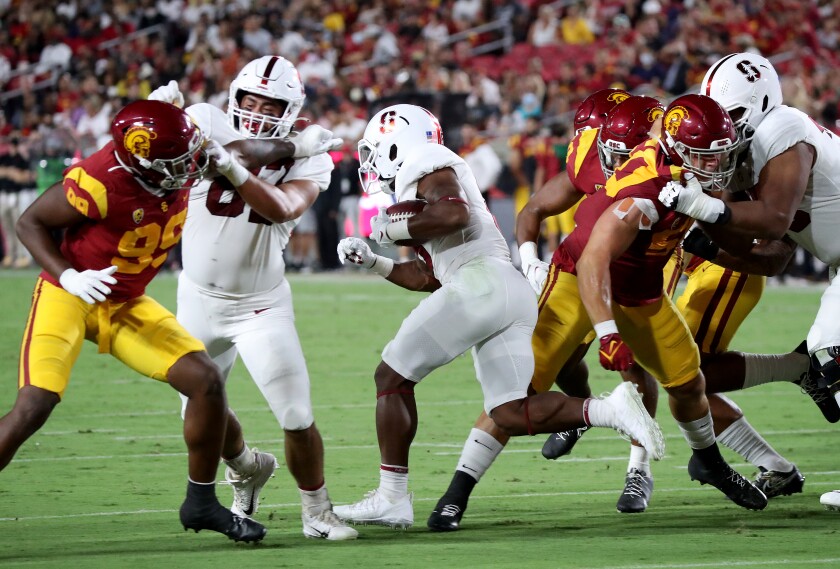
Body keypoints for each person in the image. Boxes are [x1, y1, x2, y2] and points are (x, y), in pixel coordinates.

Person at [333, 103, 665, 529]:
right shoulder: (426, 179)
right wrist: (375, 262)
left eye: (377, 148)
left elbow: (453, 213)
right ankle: (610, 411)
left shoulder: (427, 163)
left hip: (479, 286)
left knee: (391, 378)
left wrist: (391, 228)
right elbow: (428, 277)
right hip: (506, 290)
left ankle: (392, 497)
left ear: (399, 142)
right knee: (509, 410)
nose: (372, 159)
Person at [0, 100, 280, 543]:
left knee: (206, 379)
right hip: (70, 294)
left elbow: (245, 153)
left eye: (189, 156)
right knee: (36, 403)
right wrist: (69, 275)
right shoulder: (100, 181)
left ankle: (202, 503)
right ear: (139, 161)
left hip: (126, 300)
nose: (189, 169)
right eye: (174, 162)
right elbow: (30, 221)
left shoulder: (179, 156)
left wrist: (295, 143)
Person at [426, 92, 670, 531]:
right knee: (520, 384)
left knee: (636, 372)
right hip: (578, 277)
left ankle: (638, 470)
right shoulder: (589, 155)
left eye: (619, 144)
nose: (607, 151)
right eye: (600, 140)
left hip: (636, 284)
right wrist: (529, 260)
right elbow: (535, 208)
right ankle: (457, 493)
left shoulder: (666, 165)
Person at [149, 56, 358, 540]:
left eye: (272, 104)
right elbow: (230, 154)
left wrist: (236, 163)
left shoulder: (314, 156)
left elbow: (283, 203)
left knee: (296, 413)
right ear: (234, 98)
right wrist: (156, 120)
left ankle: (317, 511)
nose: (259, 109)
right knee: (198, 413)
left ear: (292, 108)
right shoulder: (205, 119)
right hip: (198, 297)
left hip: (260, 304)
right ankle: (245, 465)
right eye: (251, 99)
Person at [657, 51, 840, 511]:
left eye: (735, 115)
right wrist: (711, 244)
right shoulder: (746, 146)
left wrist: (701, 207)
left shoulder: (784, 128)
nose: (729, 127)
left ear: (762, 101)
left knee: (830, 351)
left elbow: (776, 220)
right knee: (827, 352)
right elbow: (772, 257)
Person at [573, 94, 768, 511]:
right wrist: (605, 331)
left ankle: (709, 461)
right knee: (526, 388)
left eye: (718, 154)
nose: (716, 165)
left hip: (646, 287)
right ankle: (456, 491)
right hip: (586, 281)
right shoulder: (647, 184)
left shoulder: (682, 159)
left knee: (687, 381)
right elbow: (587, 252)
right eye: (705, 156)